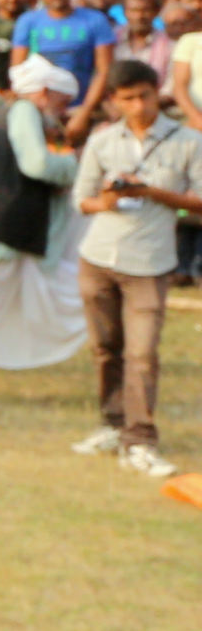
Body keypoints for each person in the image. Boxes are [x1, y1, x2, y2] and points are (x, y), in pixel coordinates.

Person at [70, 58, 202, 481]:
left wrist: (153, 193)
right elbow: (82, 199)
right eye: (128, 99)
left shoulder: (188, 141)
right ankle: (112, 424)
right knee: (105, 348)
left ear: (157, 92)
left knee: (142, 354)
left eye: (145, 95)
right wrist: (106, 201)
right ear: (114, 101)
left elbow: (200, 199)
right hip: (100, 257)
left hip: (149, 262)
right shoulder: (103, 141)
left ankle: (140, 439)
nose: (139, 105)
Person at [0, 56, 85, 411]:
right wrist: (75, 166)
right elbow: (37, 164)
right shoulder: (24, 112)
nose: (63, 111)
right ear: (43, 93)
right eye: (62, 102)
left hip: (0, 225)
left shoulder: (20, 113)